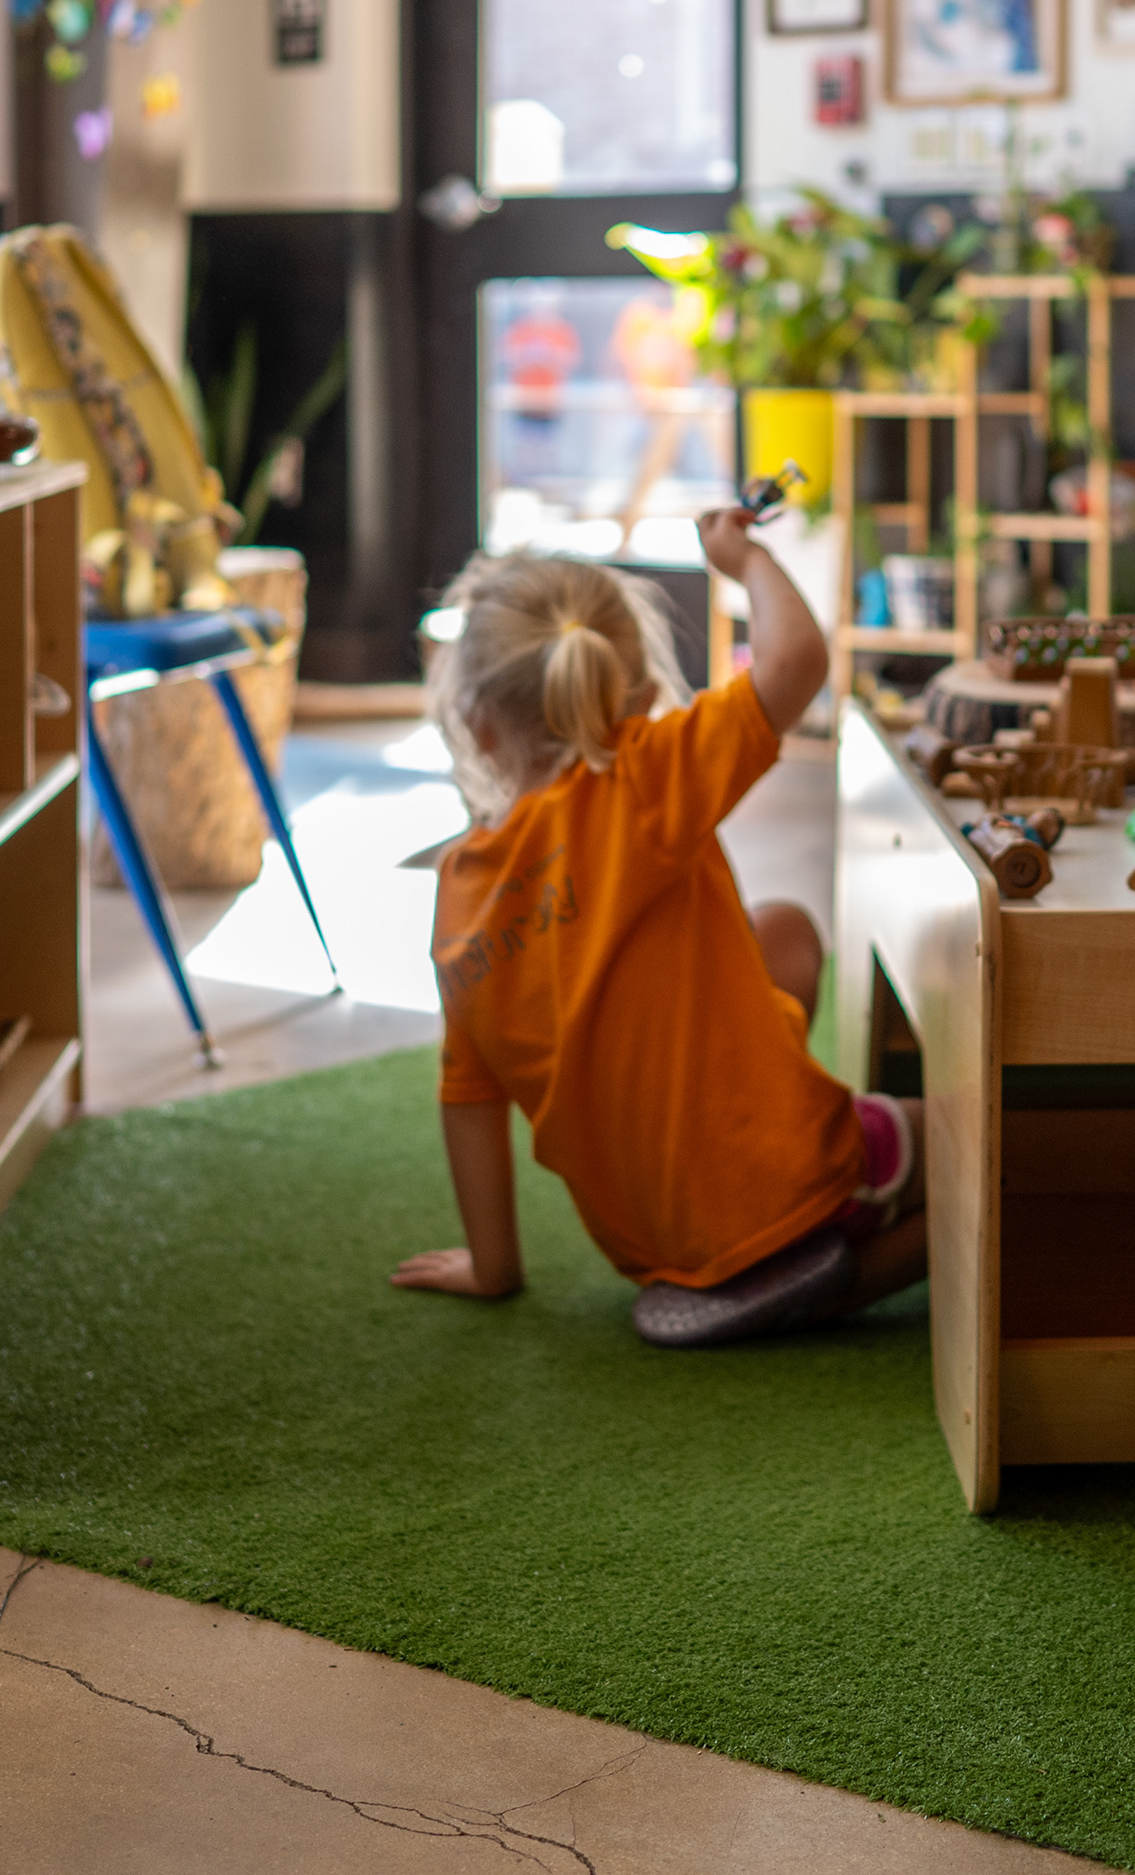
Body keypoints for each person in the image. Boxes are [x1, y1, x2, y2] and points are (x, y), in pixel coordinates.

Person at [395, 510, 928, 1347]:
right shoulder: (645, 774)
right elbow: (796, 662)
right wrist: (744, 558)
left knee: (780, 932)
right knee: (985, 1146)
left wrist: (491, 1267)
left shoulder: (458, 897)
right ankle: (830, 1274)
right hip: (788, 1175)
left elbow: (469, 1100)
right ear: (637, 691)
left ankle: (751, 1266)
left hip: (652, 1248)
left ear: (478, 722)